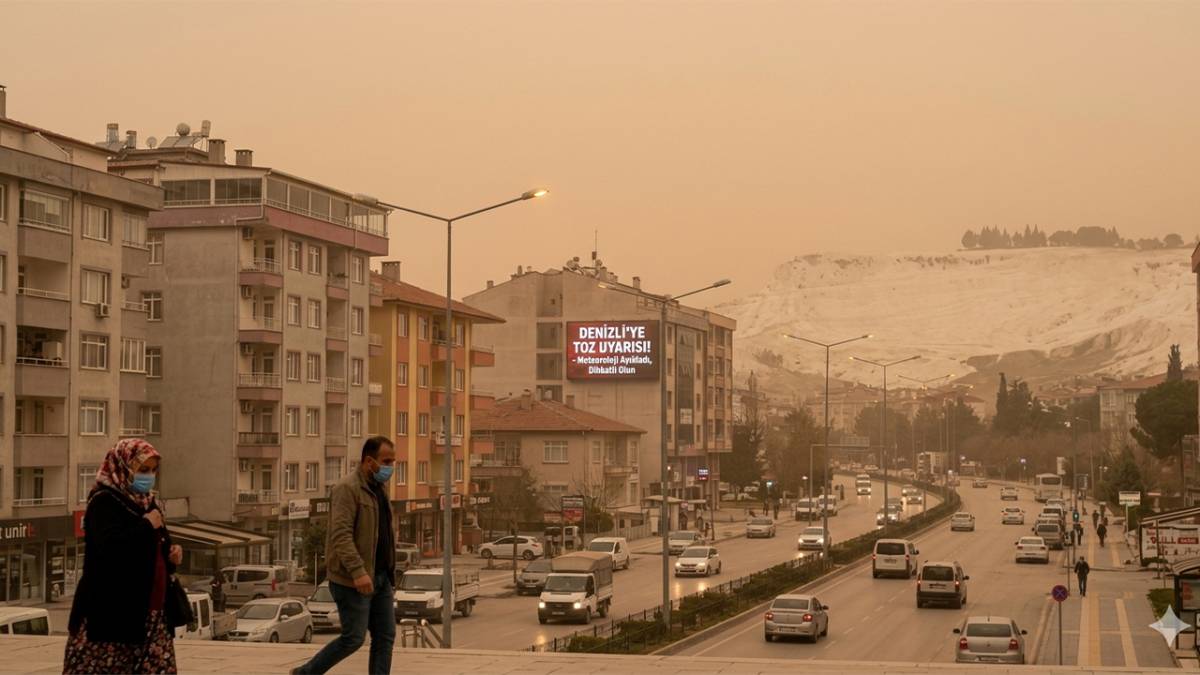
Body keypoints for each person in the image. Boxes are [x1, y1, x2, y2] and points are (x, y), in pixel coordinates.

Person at [64, 439, 182, 674]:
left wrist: (172, 555)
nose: (149, 476)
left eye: (153, 470)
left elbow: (157, 545)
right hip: (112, 613)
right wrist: (146, 526)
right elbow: (109, 549)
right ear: (123, 467)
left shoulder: (148, 502)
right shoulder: (104, 502)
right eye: (143, 469)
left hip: (152, 613)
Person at [294, 437, 397, 675]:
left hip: (381, 577)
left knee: (385, 636)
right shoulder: (347, 488)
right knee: (353, 638)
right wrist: (358, 571)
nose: (390, 467)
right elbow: (341, 535)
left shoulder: (380, 489)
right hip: (352, 579)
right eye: (386, 462)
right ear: (369, 461)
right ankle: (305, 673)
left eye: (393, 461)